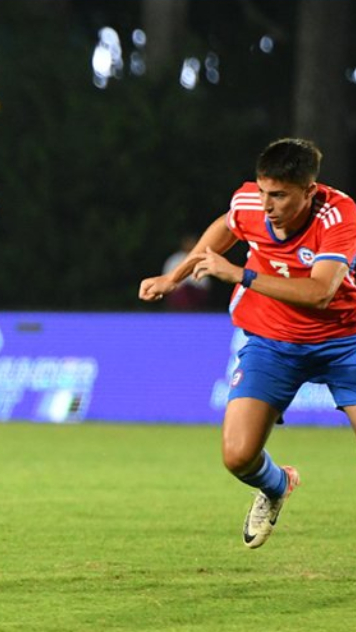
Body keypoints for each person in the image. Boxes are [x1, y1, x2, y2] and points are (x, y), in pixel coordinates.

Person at [139, 137, 356, 549]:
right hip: (273, 340)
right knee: (237, 456)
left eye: (279, 195)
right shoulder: (250, 203)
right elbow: (227, 226)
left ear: (309, 191)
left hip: (345, 341)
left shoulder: (339, 216)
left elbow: (321, 293)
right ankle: (277, 486)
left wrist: (242, 275)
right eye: (263, 191)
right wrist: (175, 276)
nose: (267, 203)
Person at [160, 235, 213, 310]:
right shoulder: (174, 260)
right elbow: (166, 279)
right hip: (178, 292)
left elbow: (205, 283)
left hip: (195, 292)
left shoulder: (201, 258)